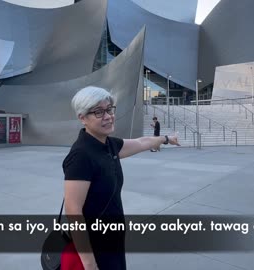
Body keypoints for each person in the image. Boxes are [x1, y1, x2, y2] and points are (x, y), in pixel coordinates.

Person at [61, 86, 180, 270]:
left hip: (112, 240)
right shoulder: (81, 155)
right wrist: (89, 264)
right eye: (98, 112)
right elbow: (73, 210)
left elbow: (141, 142)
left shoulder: (108, 145)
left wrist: (166, 138)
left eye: (109, 109)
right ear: (82, 118)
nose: (108, 116)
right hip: (95, 247)